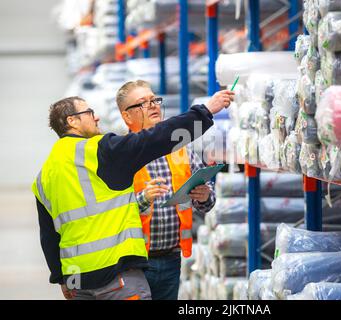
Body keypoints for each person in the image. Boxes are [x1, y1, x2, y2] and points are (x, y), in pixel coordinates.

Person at [31, 89, 234, 300]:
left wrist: (61, 277)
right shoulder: (99, 150)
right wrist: (205, 111)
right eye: (90, 112)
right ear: (72, 121)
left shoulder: (44, 175)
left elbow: (48, 235)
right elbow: (155, 137)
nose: (97, 117)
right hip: (117, 276)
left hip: (77, 280)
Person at [116, 80, 216, 300]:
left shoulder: (179, 149)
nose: (153, 105)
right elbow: (109, 213)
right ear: (126, 116)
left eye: (154, 100)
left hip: (171, 260)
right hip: (134, 264)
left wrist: (205, 195)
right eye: (143, 103)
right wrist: (143, 199)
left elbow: (207, 200)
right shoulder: (120, 155)